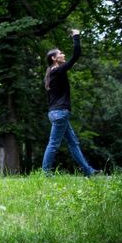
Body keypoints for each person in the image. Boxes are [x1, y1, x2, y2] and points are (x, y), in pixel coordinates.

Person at [42, 29, 99, 177]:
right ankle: (46, 173)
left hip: (57, 113)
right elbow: (76, 55)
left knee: (73, 143)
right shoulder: (58, 71)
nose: (63, 55)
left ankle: (88, 171)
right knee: (53, 144)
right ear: (54, 58)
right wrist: (76, 36)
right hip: (60, 113)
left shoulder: (51, 73)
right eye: (60, 53)